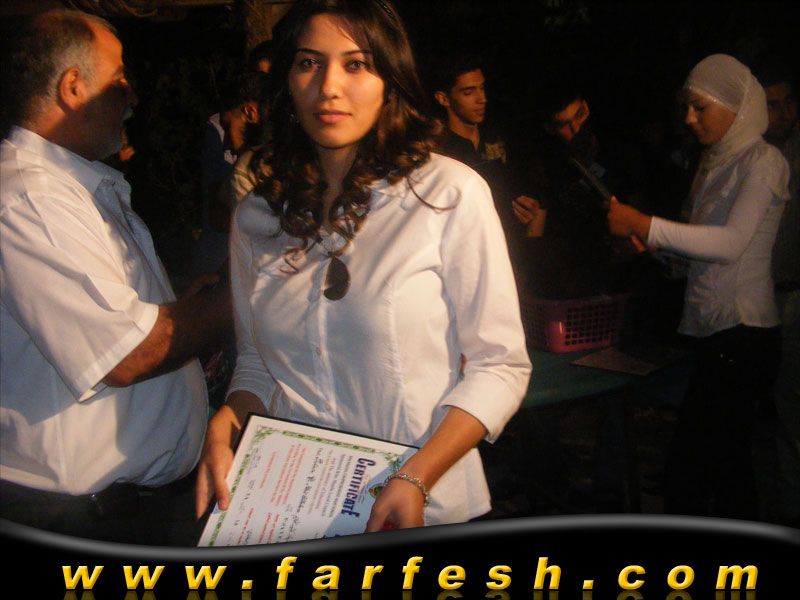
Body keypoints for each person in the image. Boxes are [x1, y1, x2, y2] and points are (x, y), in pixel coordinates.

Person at [195, 0, 531, 533]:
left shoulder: (447, 194)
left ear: (389, 81)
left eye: (356, 64)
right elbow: (257, 362)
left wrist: (416, 476)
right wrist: (228, 421)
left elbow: (500, 365)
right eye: (309, 62)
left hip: (422, 508)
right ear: (287, 82)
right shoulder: (258, 214)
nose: (329, 86)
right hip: (297, 506)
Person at [0, 9, 232, 545]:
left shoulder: (76, 188)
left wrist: (184, 305)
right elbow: (127, 353)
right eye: (120, 79)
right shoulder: (32, 198)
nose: (133, 98)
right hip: (83, 521)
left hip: (126, 510)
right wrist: (248, 296)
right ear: (73, 87)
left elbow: (119, 319)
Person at [607, 54, 790, 520]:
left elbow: (731, 244)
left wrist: (646, 225)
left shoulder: (763, 160)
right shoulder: (714, 163)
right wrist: (655, 250)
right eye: (686, 107)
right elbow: (698, 258)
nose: (689, 118)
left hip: (744, 332)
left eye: (700, 107)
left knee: (693, 468)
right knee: (728, 468)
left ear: (735, 106)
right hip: (716, 333)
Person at [509, 75, 646, 300]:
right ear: (550, 128)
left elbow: (640, 211)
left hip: (622, 271)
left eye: (580, 115)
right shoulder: (545, 166)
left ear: (587, 107)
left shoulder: (618, 150)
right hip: (573, 276)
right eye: (564, 124)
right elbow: (536, 231)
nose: (576, 127)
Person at [757, 59, 800, 526]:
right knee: (785, 407)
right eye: (772, 104)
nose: (784, 112)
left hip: (794, 293)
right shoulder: (750, 158)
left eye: (789, 102)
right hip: (768, 297)